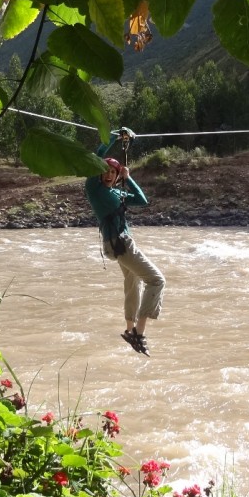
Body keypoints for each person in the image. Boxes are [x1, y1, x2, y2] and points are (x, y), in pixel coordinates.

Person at [84, 127, 165, 356]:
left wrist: (129, 179)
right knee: (157, 281)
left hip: (120, 244)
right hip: (120, 244)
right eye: (106, 171)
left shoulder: (118, 193)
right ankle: (140, 332)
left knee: (133, 283)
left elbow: (142, 200)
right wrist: (114, 137)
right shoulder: (94, 189)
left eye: (113, 172)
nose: (109, 174)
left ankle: (130, 330)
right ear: (100, 173)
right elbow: (94, 159)